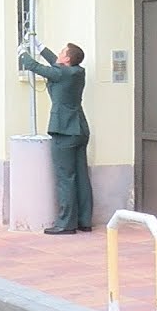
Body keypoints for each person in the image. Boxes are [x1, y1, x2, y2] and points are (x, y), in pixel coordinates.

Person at [19, 36, 92, 235]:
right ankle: (84, 220)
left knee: (65, 177)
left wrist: (22, 52)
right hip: (80, 128)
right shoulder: (77, 71)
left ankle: (66, 224)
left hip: (64, 130)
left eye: (62, 52)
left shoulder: (61, 73)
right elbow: (54, 63)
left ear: (67, 59)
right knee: (81, 176)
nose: (59, 54)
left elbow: (35, 66)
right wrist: (39, 46)